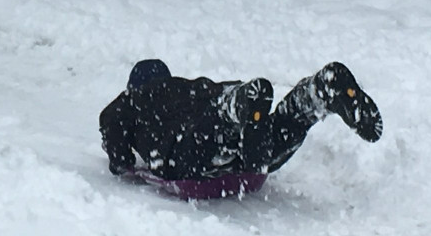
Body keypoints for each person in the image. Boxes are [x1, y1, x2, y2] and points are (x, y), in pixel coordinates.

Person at [99, 58, 382, 183]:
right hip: (220, 104)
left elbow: (114, 137)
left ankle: (235, 110)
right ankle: (315, 94)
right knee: (276, 131)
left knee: (203, 141)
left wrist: (121, 162)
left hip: (186, 144)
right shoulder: (189, 87)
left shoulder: (133, 101)